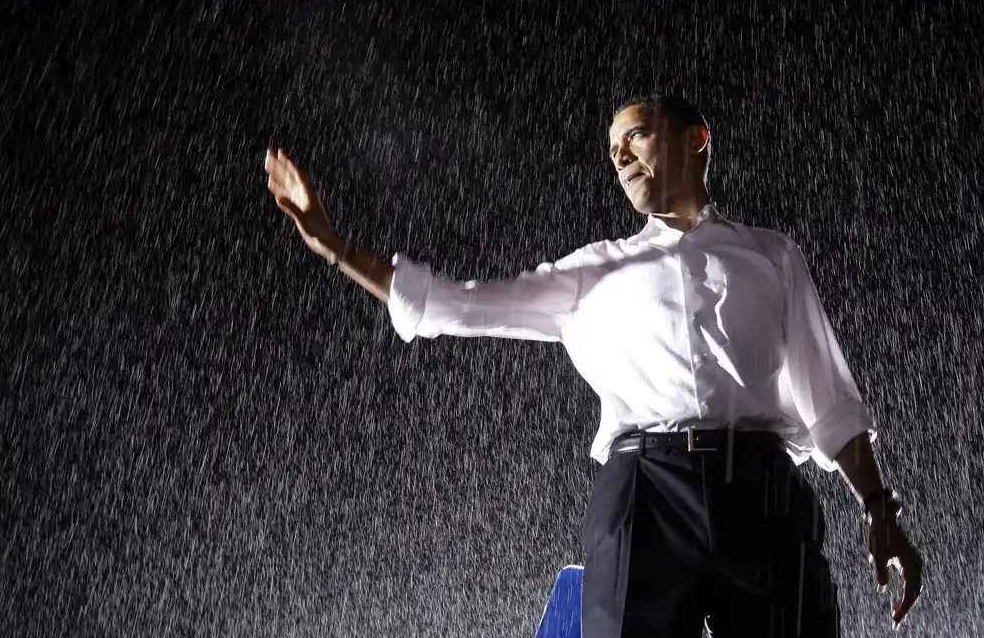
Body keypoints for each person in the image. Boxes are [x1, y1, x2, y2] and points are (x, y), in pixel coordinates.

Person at [263, 94, 924, 637]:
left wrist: (879, 509)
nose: (621, 156)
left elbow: (830, 402)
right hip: (645, 494)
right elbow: (455, 304)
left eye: (635, 136)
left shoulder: (773, 257)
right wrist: (334, 245)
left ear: (695, 139)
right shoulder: (595, 270)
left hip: (762, 492)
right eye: (613, 151)